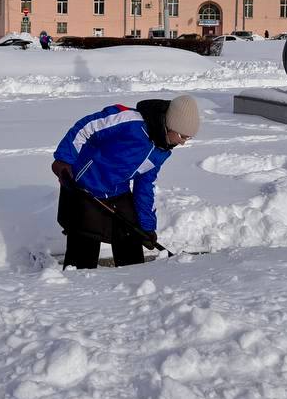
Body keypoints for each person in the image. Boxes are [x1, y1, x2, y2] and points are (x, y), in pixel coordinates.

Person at [50, 94, 200, 269]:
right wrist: (64, 159)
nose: (183, 142)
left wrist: (147, 226)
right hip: (85, 184)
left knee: (132, 236)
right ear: (171, 126)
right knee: (85, 246)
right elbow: (86, 127)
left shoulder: (162, 149)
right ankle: (77, 286)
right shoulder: (129, 122)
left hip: (117, 190)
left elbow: (145, 184)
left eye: (188, 138)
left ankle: (136, 283)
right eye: (183, 136)